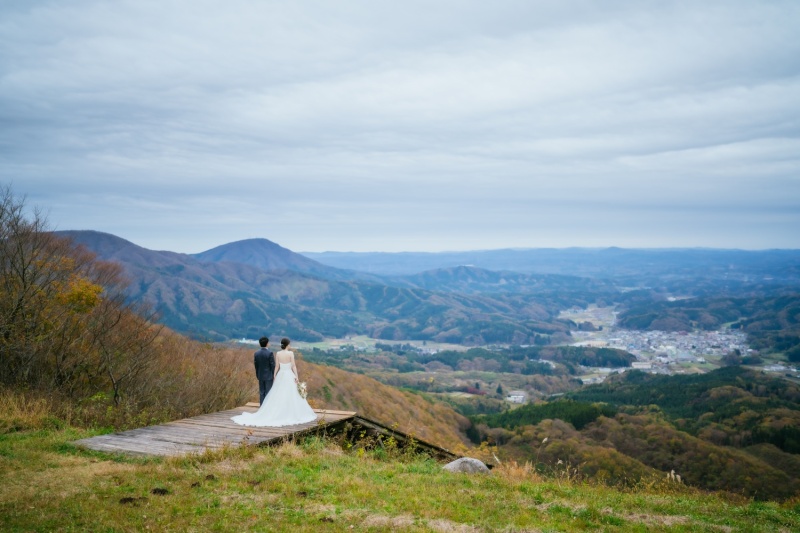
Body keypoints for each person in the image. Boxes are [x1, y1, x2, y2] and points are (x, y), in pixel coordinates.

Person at [232, 338, 317, 427]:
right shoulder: (290, 353)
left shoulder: (278, 353)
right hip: (289, 374)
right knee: (291, 393)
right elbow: (293, 366)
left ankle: (268, 409)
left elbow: (276, 366)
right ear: (287, 345)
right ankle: (288, 411)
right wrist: (296, 376)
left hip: (281, 374)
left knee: (277, 393)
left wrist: (275, 375)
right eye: (289, 344)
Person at [253, 336, 275, 405]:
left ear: (260, 344)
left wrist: (257, 374)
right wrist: (274, 375)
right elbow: (273, 365)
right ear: (267, 343)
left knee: (261, 392)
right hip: (269, 376)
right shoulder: (270, 353)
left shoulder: (256, 353)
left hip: (260, 375)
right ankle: (267, 408)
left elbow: (256, 366)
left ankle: (262, 407)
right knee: (268, 392)